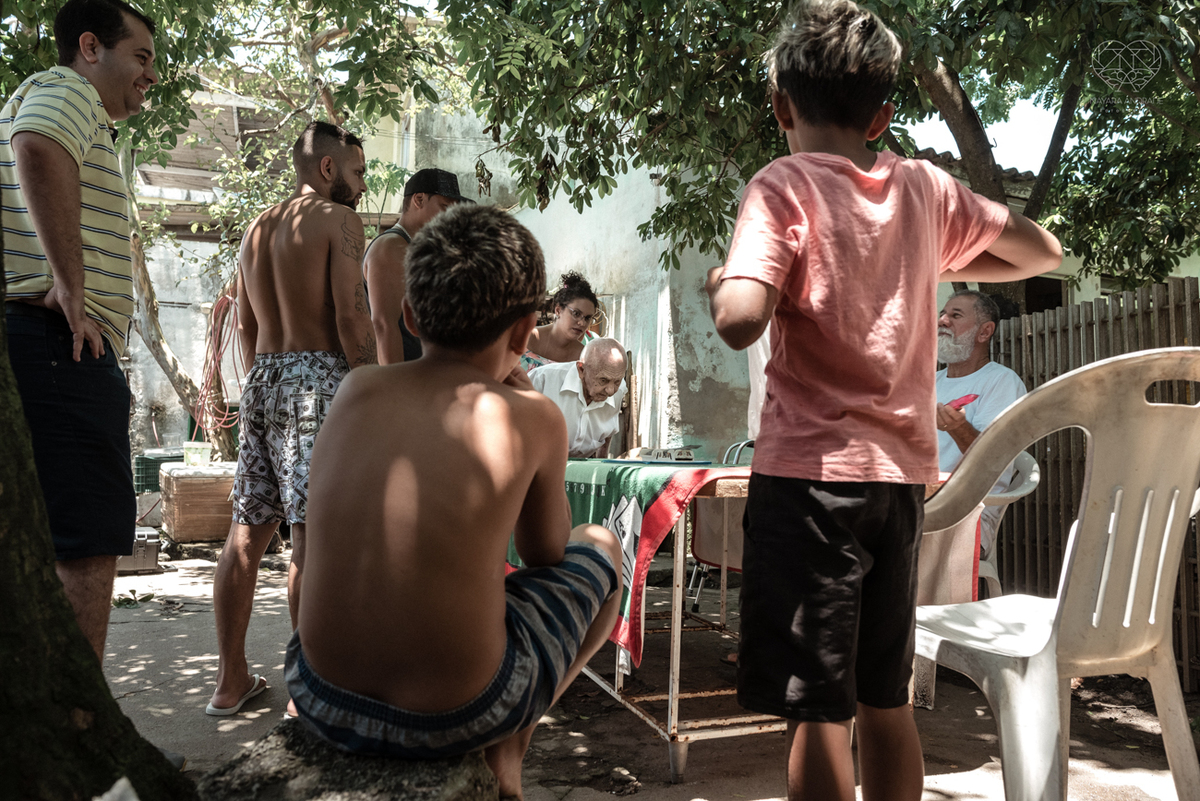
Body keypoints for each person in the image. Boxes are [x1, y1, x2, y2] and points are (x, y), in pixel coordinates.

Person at [705, 3, 1062, 800]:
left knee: (817, 715)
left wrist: (727, 283)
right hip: (898, 487)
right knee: (885, 698)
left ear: (781, 105)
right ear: (883, 116)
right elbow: (1042, 251)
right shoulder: (924, 189)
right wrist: (943, 249)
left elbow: (738, 322)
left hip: (809, 487)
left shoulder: (782, 185)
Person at [287, 204, 622, 799]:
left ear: (411, 316)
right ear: (526, 334)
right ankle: (512, 745)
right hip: (458, 714)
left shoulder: (355, 388)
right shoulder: (535, 417)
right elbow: (545, 553)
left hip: (319, 694)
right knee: (600, 546)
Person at [2, 0, 158, 665]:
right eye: (142, 57)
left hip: (49, 342)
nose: (151, 76)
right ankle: (84, 717)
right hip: (60, 342)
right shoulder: (64, 89)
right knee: (89, 533)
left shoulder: (65, 105)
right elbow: (37, 145)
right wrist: (71, 285)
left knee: (63, 531)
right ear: (90, 47)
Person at [207, 120, 375, 717]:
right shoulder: (338, 222)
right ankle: (307, 696)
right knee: (309, 536)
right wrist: (371, 388)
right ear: (327, 169)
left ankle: (230, 682)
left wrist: (265, 385)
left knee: (246, 532)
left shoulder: (256, 228)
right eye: (356, 172)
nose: (361, 185)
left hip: (262, 378)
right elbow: (354, 322)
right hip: (318, 382)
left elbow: (247, 326)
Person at [935, 290, 1027, 561]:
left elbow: (992, 460)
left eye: (955, 315)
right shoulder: (929, 382)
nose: (942, 320)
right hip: (915, 504)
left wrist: (958, 428)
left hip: (966, 516)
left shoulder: (1002, 382)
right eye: (943, 313)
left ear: (984, 332)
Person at [361, 167, 472, 365]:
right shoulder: (391, 247)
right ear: (419, 200)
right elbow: (384, 326)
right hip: (404, 378)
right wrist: (395, 387)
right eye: (445, 207)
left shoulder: (416, 247)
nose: (450, 217)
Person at [529, 337, 627, 458]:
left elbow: (607, 432)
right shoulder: (541, 379)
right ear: (581, 369)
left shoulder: (620, 389)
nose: (611, 391)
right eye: (603, 380)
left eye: (617, 381)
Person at [520, 271, 599, 372]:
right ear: (558, 310)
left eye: (587, 318)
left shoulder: (584, 357)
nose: (582, 323)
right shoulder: (525, 338)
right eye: (576, 314)